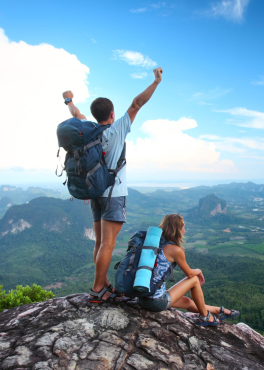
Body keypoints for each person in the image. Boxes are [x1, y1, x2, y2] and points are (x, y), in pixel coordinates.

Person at [62, 67, 163, 303]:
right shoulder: (117, 129)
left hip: (95, 192)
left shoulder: (89, 131)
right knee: (108, 243)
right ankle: (98, 288)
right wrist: (156, 82)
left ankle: (103, 281)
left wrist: (68, 100)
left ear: (94, 115)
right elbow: (137, 103)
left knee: (99, 242)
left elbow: (76, 114)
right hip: (113, 194)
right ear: (112, 113)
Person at [138, 214, 240, 326]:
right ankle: (205, 317)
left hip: (143, 298)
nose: (184, 230)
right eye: (183, 227)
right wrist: (199, 271)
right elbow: (190, 274)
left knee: (186, 301)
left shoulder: (154, 244)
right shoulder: (175, 250)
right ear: (177, 229)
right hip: (155, 302)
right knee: (194, 280)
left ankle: (218, 310)